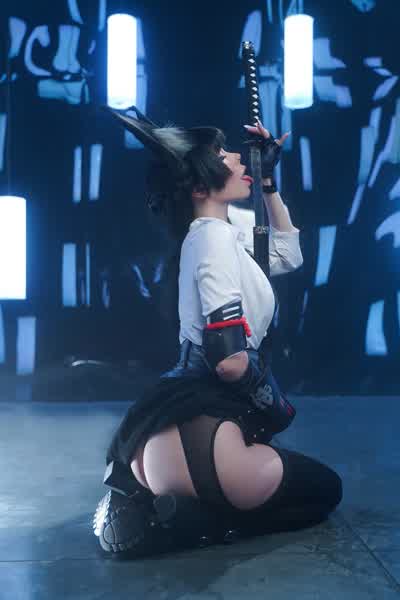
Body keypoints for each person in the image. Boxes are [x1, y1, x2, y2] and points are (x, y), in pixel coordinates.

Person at [93, 107, 343, 557]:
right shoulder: (212, 238)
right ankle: (203, 524)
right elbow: (229, 362)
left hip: (161, 437)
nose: (239, 157)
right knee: (326, 490)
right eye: (224, 154)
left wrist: (267, 182)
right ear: (198, 186)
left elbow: (287, 256)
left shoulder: (220, 232)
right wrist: (267, 397)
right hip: (210, 435)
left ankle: (169, 509)